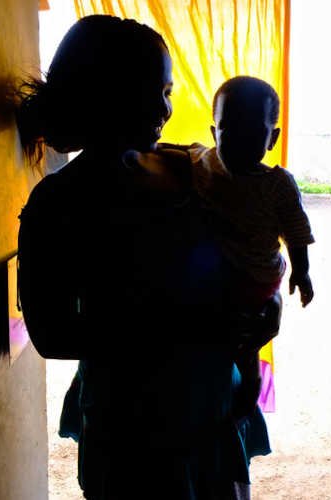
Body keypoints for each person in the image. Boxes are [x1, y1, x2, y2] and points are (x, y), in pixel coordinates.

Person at [16, 15, 277, 499]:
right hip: (132, 433)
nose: (165, 108)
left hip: (213, 410)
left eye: (168, 91)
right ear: (104, 93)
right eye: (151, 91)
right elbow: (51, 334)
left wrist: (268, 304)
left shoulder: (193, 169)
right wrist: (185, 327)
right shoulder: (59, 204)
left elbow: (250, 247)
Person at [131, 76, 315, 416]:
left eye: (253, 131)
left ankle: (245, 403)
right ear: (215, 133)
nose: (241, 140)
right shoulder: (201, 164)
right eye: (230, 129)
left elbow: (297, 232)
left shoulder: (278, 184)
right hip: (216, 280)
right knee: (230, 337)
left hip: (256, 279)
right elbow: (168, 150)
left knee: (245, 348)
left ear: (272, 138)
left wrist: (301, 272)